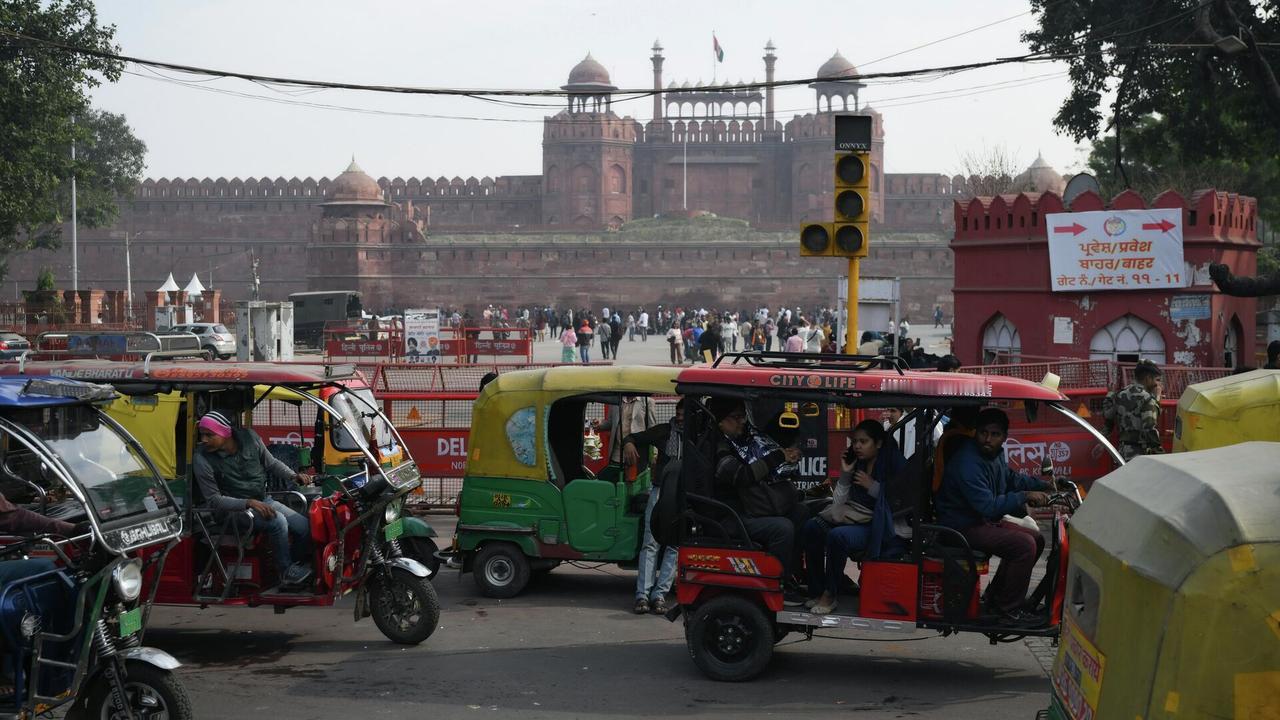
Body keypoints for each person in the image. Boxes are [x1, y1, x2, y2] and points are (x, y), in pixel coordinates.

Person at [934, 408, 1054, 625]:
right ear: (976, 433)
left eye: (994, 434)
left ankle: (996, 597)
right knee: (1024, 545)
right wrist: (1024, 496)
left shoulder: (993, 455)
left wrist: (1043, 485)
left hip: (978, 522)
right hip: (960, 527)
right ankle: (1008, 610)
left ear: (1004, 437)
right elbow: (987, 507)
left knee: (1037, 538)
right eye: (983, 433)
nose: (987, 439)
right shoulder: (967, 462)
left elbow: (1010, 478)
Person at [193, 411, 314, 587]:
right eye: (202, 435)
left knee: (304, 527)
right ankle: (286, 572)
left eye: (209, 435)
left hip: (262, 500)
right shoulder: (202, 458)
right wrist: (248, 503)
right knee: (277, 521)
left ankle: (294, 565)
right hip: (231, 511)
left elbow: (271, 463)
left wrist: (293, 476)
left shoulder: (250, 438)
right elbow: (214, 500)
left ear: (225, 433)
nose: (204, 440)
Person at [707, 397, 808, 606]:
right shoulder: (718, 448)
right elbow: (742, 476)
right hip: (728, 516)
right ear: (720, 421)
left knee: (801, 513)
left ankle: (793, 575)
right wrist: (777, 457)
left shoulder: (738, 441)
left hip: (746, 508)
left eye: (742, 416)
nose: (742, 421)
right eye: (736, 417)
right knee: (783, 528)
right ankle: (776, 584)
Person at [802, 420, 906, 614]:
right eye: (855, 441)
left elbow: (903, 499)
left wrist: (873, 487)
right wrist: (845, 474)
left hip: (881, 526)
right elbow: (838, 503)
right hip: (855, 517)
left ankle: (830, 594)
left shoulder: (894, 462)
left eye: (863, 441)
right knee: (812, 527)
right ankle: (816, 591)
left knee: (838, 536)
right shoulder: (858, 462)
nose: (857, 446)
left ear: (879, 443)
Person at [622, 398, 684, 615]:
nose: (680, 417)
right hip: (660, 492)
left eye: (684, 414)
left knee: (674, 546)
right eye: (678, 412)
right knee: (651, 543)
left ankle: (659, 595)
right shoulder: (664, 431)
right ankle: (642, 596)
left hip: (683, 496)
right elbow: (632, 437)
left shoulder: (699, 436)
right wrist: (628, 443)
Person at [1103, 360, 1163, 461]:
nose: (1158, 384)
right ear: (1148, 379)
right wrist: (1160, 453)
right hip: (1139, 454)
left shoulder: (1120, 394)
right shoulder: (1147, 399)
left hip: (1122, 453)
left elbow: (1107, 416)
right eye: (1157, 380)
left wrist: (1109, 395)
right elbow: (1149, 428)